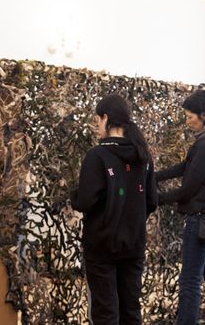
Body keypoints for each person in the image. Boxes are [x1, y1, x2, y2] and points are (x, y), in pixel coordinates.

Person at [71, 94, 158, 325]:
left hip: (101, 245)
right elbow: (151, 201)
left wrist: (73, 197)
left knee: (105, 312)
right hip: (134, 244)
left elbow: (86, 200)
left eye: (97, 120)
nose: (97, 126)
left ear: (105, 118)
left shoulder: (97, 156)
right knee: (131, 310)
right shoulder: (143, 155)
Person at [155, 89, 205, 325]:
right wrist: (154, 176)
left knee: (190, 281)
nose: (187, 122)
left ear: (204, 115)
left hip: (200, 220)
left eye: (190, 117)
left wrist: (155, 199)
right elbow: (187, 166)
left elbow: (188, 188)